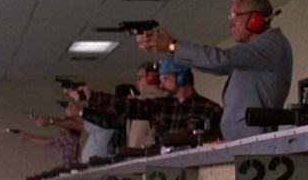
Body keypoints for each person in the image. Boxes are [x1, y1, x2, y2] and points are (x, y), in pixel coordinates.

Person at [134, 0, 293, 142]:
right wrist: (171, 50)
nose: (229, 23)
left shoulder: (273, 44)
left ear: (256, 19)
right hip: (244, 144)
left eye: (235, 16)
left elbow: (220, 60)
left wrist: (172, 46)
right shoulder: (254, 54)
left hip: (254, 145)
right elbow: (215, 65)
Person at [71, 58, 224, 145]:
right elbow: (126, 106)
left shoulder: (210, 109)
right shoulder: (159, 106)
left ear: (182, 78)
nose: (161, 84)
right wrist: (92, 97)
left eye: (166, 79)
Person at [37, 100, 115, 164]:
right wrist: (52, 120)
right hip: (95, 167)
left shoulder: (105, 123)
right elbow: (73, 123)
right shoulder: (102, 121)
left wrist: (51, 121)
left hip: (99, 168)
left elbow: (74, 124)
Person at [10, 112, 81, 170]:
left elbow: (47, 142)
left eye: (62, 126)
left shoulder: (70, 139)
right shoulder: (72, 139)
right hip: (66, 172)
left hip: (66, 172)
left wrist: (27, 137)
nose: (60, 127)